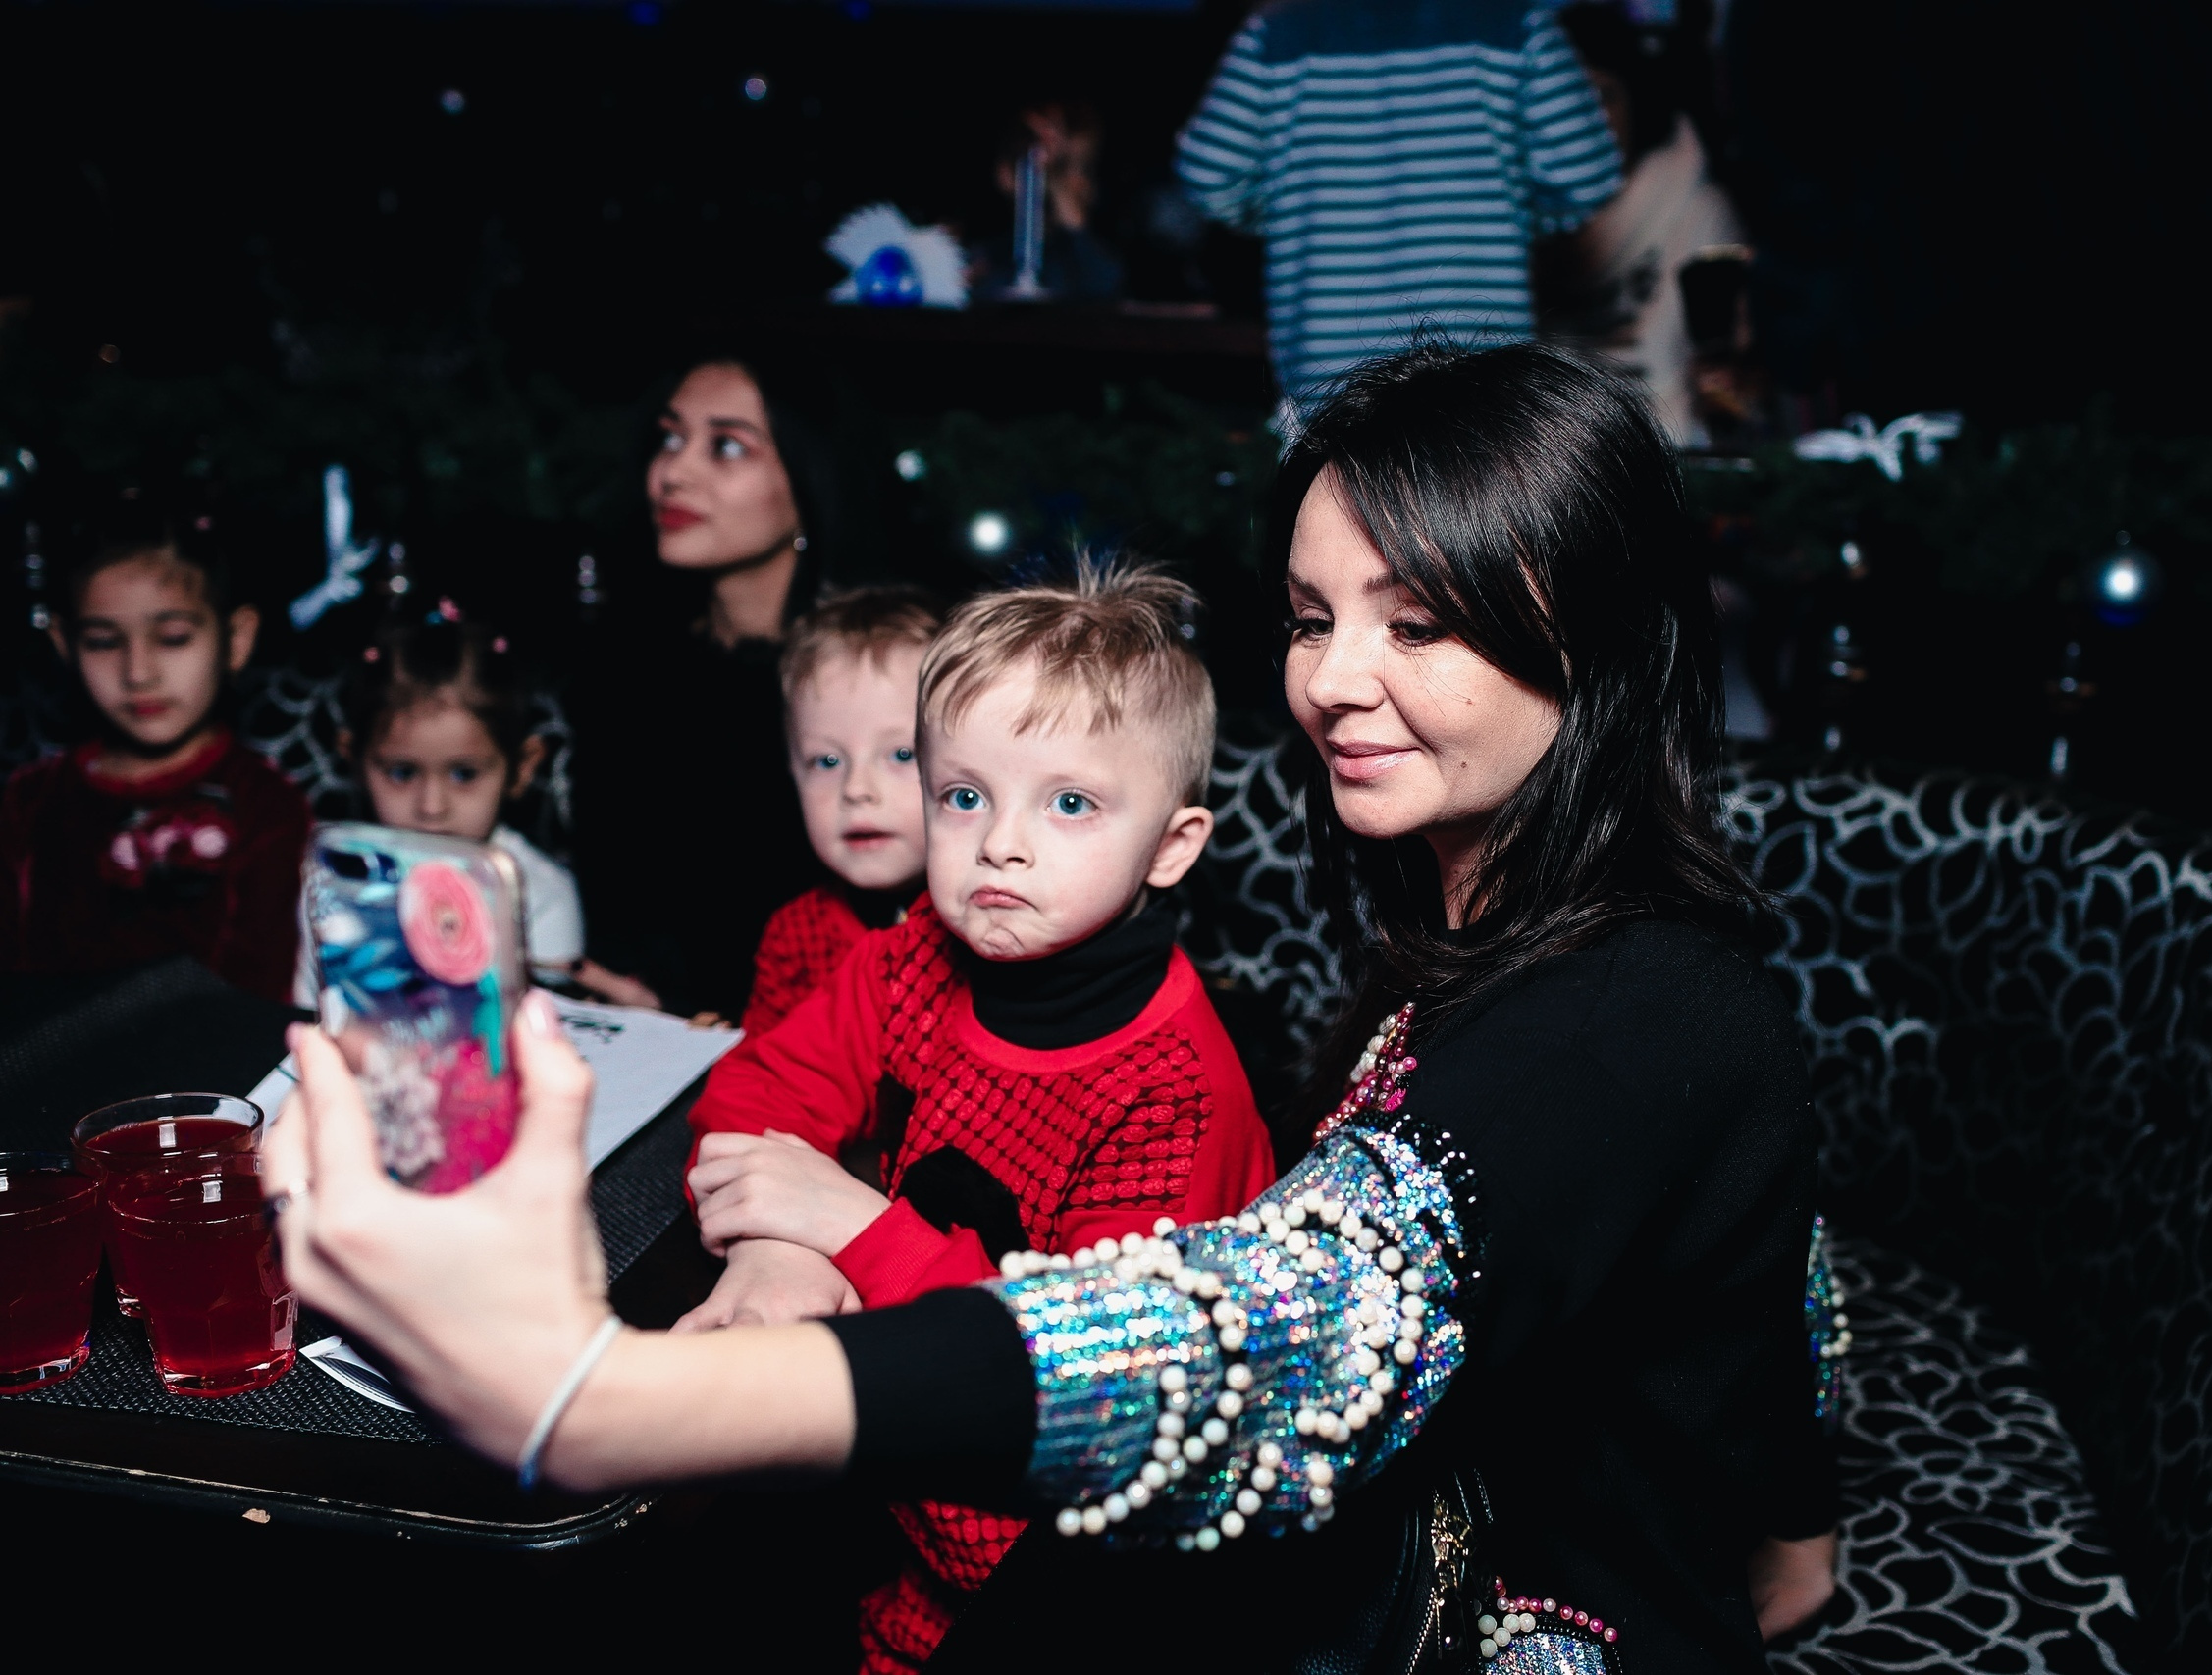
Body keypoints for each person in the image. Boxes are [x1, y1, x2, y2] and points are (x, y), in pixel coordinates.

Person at [262, 343, 1836, 1671]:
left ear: (1597, 633)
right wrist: (1796, 1512)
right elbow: (1782, 1277)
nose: (1335, 679)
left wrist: (609, 1400)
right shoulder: (1507, 920)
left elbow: (1284, 1336)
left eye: (1415, 622)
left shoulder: (1634, 1006)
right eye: (1310, 615)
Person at [677, 565, 1278, 1672]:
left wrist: (854, 1230)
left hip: (1079, 1603)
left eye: (1069, 803)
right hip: (911, 1532)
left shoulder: (1171, 1097)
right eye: (964, 795)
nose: (1001, 842)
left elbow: (1098, 1386)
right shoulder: (910, 956)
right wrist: (775, 1248)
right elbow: (752, 1092)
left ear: (1173, 845)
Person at [566, 352, 884, 1020]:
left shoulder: (869, 690)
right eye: (671, 437)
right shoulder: (626, 666)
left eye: (728, 447)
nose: (673, 472)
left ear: (806, 479)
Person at [1175, 0, 1624, 414]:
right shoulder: (1514, 21)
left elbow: (1207, 172)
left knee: (1336, 496)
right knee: (1473, 496)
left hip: (1327, 371)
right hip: (1479, 367)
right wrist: (1511, 221)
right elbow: (1587, 171)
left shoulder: (1278, 31)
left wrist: (1291, 219)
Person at [0, 497, 307, 1002]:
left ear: (235, 639)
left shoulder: (266, 804)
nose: (138, 673)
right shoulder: (28, 802)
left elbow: (258, 995)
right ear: (65, 645)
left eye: (173, 637)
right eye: (103, 642)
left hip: (214, 1072)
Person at [335, 611, 581, 986]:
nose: (432, 808)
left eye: (464, 774)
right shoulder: (338, 886)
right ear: (354, 761)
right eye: (402, 773)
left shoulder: (541, 898)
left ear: (521, 768)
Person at [1543, 3, 1748, 448]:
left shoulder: (1697, 209)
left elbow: (1732, 378)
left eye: (1605, 95)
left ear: (1638, 98)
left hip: (1679, 458)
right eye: (1571, 100)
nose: (1588, 120)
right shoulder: (1535, 223)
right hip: (1558, 467)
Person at [742, 585, 942, 1039]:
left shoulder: (996, 931)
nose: (856, 790)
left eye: (901, 755)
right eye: (826, 762)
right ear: (793, 772)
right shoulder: (794, 938)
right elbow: (760, 1082)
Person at [968, 101, 1126, 304]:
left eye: (1071, 166)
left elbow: (1102, 286)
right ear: (1005, 174)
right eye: (1029, 163)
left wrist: (1055, 177)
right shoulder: (987, 259)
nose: (1040, 173)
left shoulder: (1091, 263)